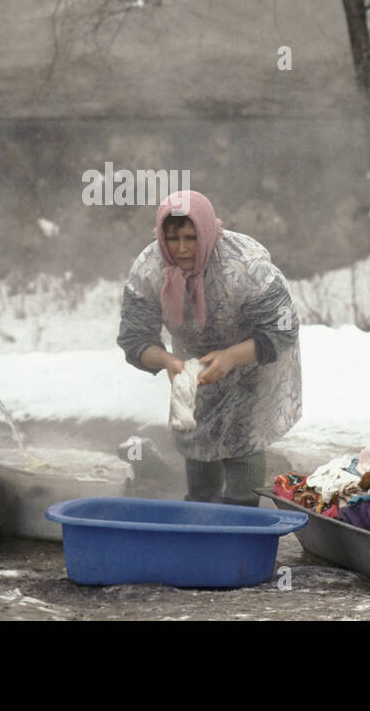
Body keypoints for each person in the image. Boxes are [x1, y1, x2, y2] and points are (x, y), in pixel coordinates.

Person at [117, 190, 301, 505]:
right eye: (173, 238)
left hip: (253, 356)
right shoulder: (149, 267)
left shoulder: (246, 262)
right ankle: (201, 510)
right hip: (192, 362)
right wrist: (167, 361)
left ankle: (242, 515)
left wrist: (231, 357)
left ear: (207, 230)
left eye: (191, 237)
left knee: (243, 438)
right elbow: (135, 337)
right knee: (197, 436)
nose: (183, 248)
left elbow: (282, 326)